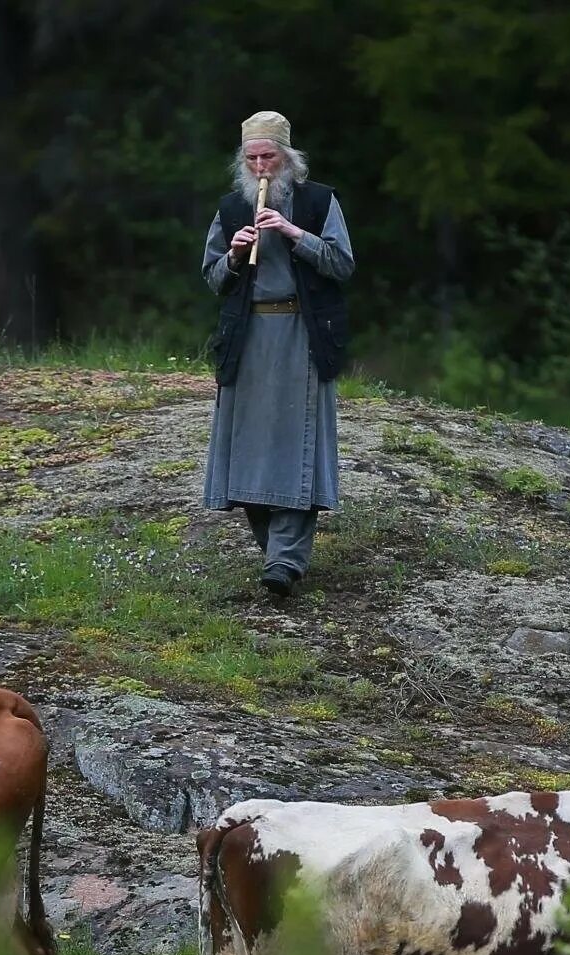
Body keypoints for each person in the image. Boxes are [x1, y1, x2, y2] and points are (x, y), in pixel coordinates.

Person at [201, 110, 355, 599]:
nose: (261, 167)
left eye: (269, 157)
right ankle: (275, 553)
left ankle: (284, 563)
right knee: (249, 449)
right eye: (253, 159)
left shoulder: (318, 201)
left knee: (296, 446)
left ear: (288, 158)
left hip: (300, 334)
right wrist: (232, 254)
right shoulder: (230, 209)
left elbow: (342, 263)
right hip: (250, 336)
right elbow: (212, 278)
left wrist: (291, 233)